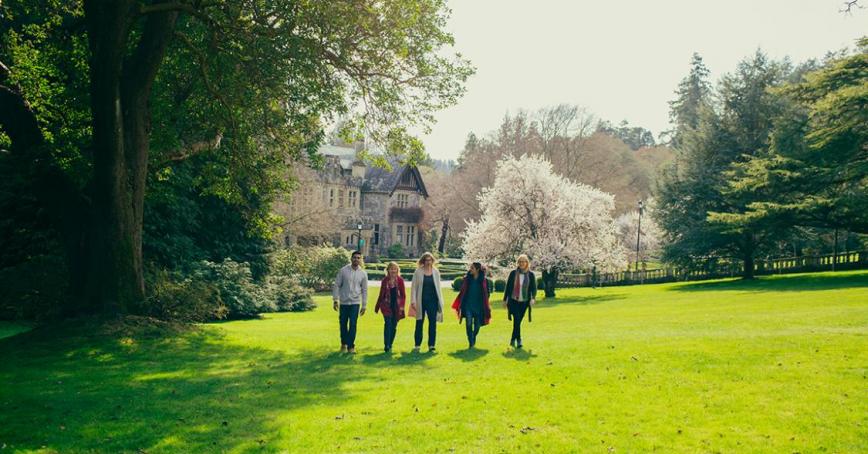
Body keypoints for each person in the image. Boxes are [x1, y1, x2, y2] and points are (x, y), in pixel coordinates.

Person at [332, 251, 368, 354]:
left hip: (355, 303)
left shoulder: (363, 273)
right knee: (343, 324)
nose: (356, 259)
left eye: (358, 258)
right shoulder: (343, 271)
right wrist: (335, 300)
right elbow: (337, 285)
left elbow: (364, 290)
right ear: (351, 258)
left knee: (353, 324)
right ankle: (343, 344)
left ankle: (351, 346)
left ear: (360, 260)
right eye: (354, 257)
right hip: (344, 303)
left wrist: (364, 305)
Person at [451, 262, 492, 348]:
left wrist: (484, 301)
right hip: (468, 306)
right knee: (468, 324)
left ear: (477, 269)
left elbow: (487, 293)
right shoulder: (467, 279)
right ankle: (470, 341)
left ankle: (473, 336)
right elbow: (462, 291)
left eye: (472, 268)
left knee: (477, 326)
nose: (470, 269)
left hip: (479, 307)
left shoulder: (484, 281)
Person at [410, 252, 445, 353]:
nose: (428, 262)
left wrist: (440, 301)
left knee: (432, 323)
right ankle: (417, 345)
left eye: (430, 260)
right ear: (423, 261)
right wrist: (413, 301)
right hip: (421, 301)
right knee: (419, 322)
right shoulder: (418, 272)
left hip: (433, 301)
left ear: (432, 261)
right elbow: (414, 287)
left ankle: (431, 345)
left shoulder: (436, 272)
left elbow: (438, 288)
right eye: (426, 260)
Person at [503, 254, 537, 349]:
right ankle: (519, 340)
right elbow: (508, 287)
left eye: (523, 261)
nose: (522, 263)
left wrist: (533, 298)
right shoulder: (513, 273)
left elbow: (534, 288)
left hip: (524, 302)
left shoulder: (531, 275)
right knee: (517, 319)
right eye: (520, 262)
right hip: (514, 301)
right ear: (518, 263)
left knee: (517, 322)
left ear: (527, 263)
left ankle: (512, 339)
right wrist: (505, 300)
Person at [374, 262, 406, 353]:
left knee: (394, 326)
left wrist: (402, 307)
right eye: (391, 269)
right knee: (387, 324)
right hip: (386, 306)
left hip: (396, 306)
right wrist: (377, 306)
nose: (393, 270)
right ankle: (386, 345)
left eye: (395, 269)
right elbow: (381, 294)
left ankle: (390, 343)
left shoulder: (400, 280)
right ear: (388, 270)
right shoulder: (385, 280)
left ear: (397, 270)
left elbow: (403, 295)